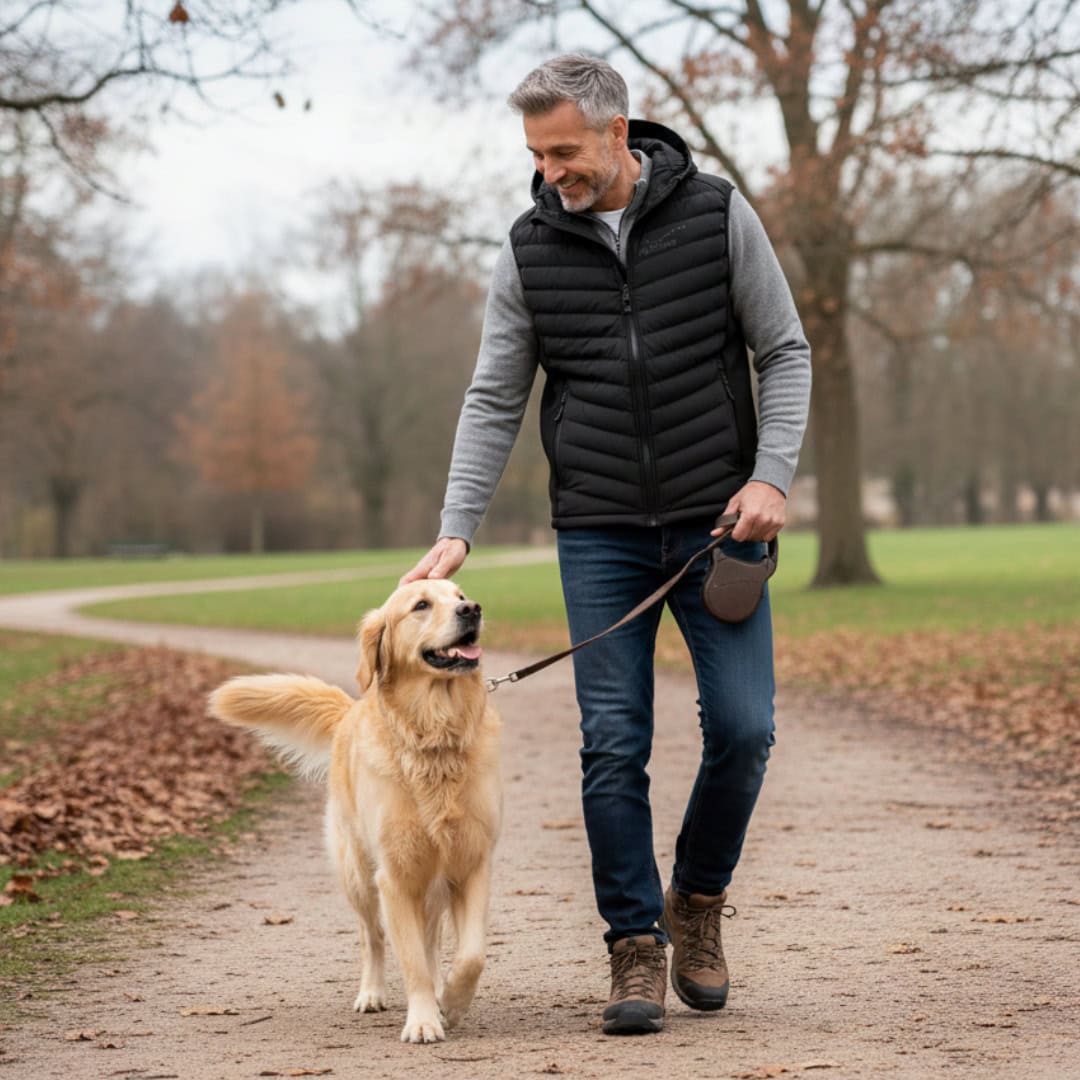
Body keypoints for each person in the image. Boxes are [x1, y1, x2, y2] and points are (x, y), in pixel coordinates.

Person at [402, 53, 811, 1035]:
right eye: (539, 154)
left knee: (745, 730)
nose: (552, 172)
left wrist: (771, 476)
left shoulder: (716, 214)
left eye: (567, 151)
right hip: (598, 530)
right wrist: (457, 524)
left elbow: (784, 350)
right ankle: (634, 945)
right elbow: (496, 392)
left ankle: (697, 902)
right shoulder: (530, 245)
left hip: (721, 527)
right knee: (613, 742)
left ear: (621, 133)